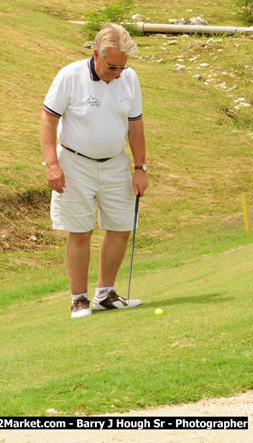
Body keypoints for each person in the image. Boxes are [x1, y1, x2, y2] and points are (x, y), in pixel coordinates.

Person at [40, 23, 148, 318]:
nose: (117, 73)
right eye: (112, 67)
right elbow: (48, 120)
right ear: (96, 54)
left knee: (122, 227)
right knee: (80, 231)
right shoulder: (70, 76)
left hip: (115, 163)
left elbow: (135, 125)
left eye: (122, 67)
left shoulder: (129, 78)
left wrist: (140, 167)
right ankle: (79, 299)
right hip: (74, 164)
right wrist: (52, 165)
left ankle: (105, 294)